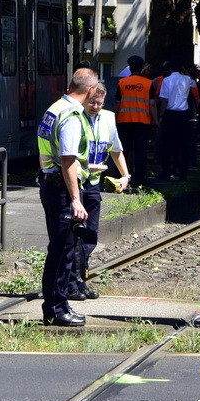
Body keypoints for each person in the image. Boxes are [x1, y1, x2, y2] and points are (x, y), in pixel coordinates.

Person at [36, 67, 99, 327]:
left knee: (60, 250)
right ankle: (55, 308)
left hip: (50, 184)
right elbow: (68, 159)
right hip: (62, 189)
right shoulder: (72, 116)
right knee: (63, 252)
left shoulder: (55, 108)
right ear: (91, 90)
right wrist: (75, 199)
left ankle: (58, 304)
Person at [69, 83, 130, 301]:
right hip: (77, 182)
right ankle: (71, 283)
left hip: (93, 182)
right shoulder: (75, 117)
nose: (95, 106)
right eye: (91, 102)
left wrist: (125, 176)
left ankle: (80, 280)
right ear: (84, 99)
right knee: (74, 235)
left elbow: (116, 149)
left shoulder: (108, 118)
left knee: (90, 235)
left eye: (99, 103)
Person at [114, 55, 156, 188]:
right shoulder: (149, 84)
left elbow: (117, 103)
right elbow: (152, 104)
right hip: (143, 122)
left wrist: (115, 118)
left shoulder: (122, 83)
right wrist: (156, 120)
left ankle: (120, 176)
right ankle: (140, 178)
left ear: (130, 67)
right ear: (142, 67)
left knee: (123, 150)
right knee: (141, 151)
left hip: (124, 121)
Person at [157, 56, 196, 180]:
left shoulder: (166, 80)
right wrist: (185, 71)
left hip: (169, 114)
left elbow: (164, 100)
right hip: (184, 114)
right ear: (181, 68)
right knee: (184, 145)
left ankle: (166, 172)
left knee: (167, 145)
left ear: (169, 67)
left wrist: (161, 116)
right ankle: (183, 173)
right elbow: (194, 85)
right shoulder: (187, 79)